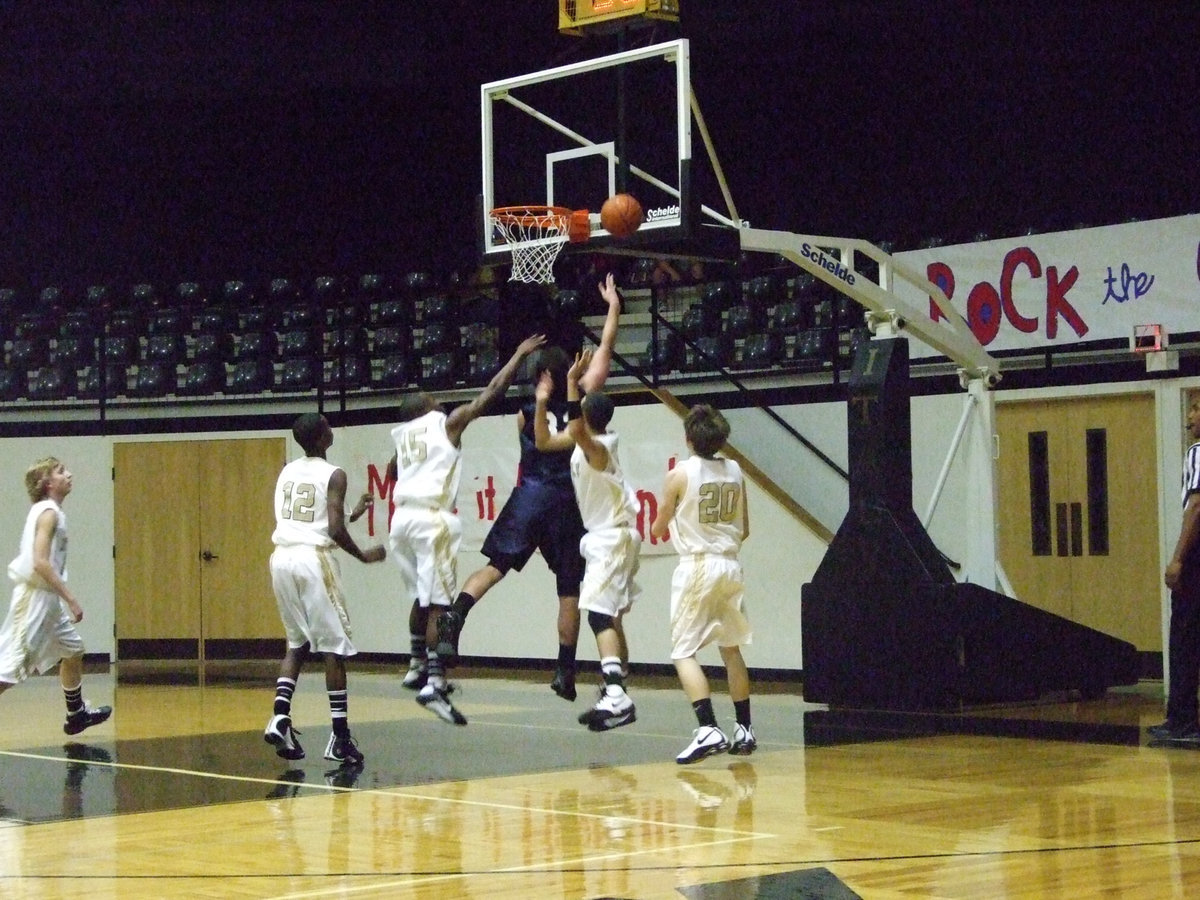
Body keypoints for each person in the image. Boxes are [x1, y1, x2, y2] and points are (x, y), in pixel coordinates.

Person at [430, 274, 624, 704]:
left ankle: (455, 618)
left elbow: (535, 440)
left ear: (541, 378)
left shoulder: (524, 413)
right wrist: (612, 306)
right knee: (569, 590)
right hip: (567, 504)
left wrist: (534, 387)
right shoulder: (585, 406)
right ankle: (564, 670)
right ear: (571, 373)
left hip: (530, 495)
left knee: (494, 567)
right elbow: (606, 348)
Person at [390, 333, 547, 725]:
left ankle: (414, 665)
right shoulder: (445, 423)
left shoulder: (405, 436)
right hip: (430, 519)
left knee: (421, 597)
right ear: (425, 409)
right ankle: (435, 683)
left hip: (401, 522)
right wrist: (517, 354)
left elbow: (392, 470)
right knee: (440, 601)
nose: (438, 402)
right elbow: (491, 393)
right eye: (432, 400)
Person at [264, 413, 387, 766]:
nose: (332, 426)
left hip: (282, 558)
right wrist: (362, 554)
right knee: (334, 648)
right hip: (313, 561)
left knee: (296, 642)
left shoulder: (288, 469)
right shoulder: (335, 474)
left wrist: (354, 513)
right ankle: (340, 737)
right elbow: (331, 529)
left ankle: (280, 715)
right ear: (321, 438)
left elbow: (315, 516)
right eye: (327, 424)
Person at [535, 347, 641, 731]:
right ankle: (618, 689)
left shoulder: (597, 448)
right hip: (612, 538)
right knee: (608, 614)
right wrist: (541, 404)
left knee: (596, 612)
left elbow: (576, 428)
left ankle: (617, 696)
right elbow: (544, 441)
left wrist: (567, 384)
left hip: (610, 539)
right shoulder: (587, 441)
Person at [650, 404, 756, 764]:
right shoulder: (736, 470)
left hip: (697, 566)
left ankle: (708, 727)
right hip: (730, 564)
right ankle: (744, 728)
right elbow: (746, 528)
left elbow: (658, 528)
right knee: (730, 648)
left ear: (688, 438)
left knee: (683, 651)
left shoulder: (679, 474)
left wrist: (665, 524)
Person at [0, 457, 111, 734]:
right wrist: (70, 598)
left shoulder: (50, 511)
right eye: (62, 471)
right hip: (35, 599)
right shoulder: (48, 512)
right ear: (48, 483)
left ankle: (76, 714)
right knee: (13, 669)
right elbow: (40, 562)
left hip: (47, 600)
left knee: (73, 650)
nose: (69, 474)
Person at [1150, 398, 1200, 743]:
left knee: (1183, 637)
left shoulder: (1197, 452)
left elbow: (1196, 505)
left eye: (1197, 409)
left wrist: (1178, 558)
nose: (1191, 416)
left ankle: (1182, 721)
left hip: (1197, 557)